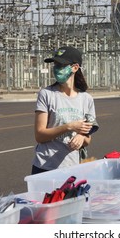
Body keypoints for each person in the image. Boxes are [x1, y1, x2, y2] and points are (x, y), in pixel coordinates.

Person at [31, 46, 97, 174]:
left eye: (61, 65)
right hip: (45, 167)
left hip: (74, 168)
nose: (56, 69)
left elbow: (88, 139)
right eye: (55, 65)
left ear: (75, 68)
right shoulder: (46, 94)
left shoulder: (86, 99)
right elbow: (39, 135)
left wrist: (81, 137)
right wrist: (69, 127)